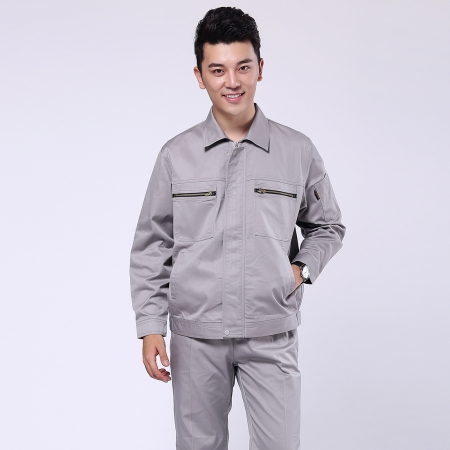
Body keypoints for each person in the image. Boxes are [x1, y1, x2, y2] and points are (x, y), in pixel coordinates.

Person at [129, 6, 346, 450]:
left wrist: (298, 271)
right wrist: (151, 325)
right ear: (199, 76)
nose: (232, 81)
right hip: (196, 336)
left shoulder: (297, 150)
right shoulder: (175, 155)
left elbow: (328, 226)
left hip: (271, 332)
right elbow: (153, 244)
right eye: (218, 70)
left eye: (243, 67)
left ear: (260, 68)